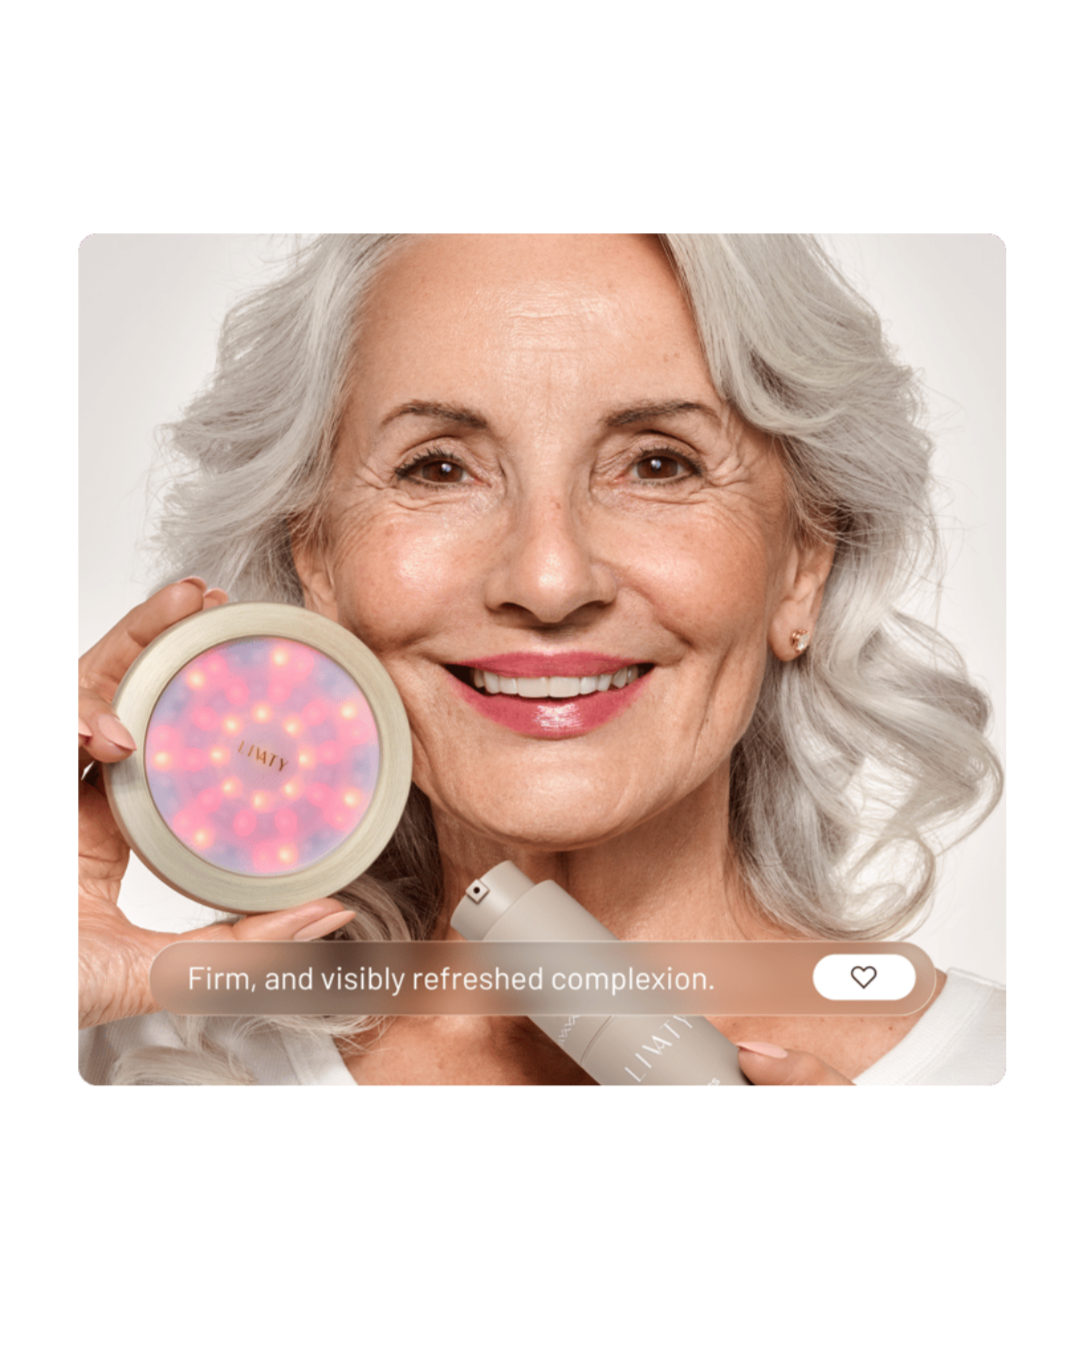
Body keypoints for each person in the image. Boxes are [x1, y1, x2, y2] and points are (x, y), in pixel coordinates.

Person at [78, 233, 1006, 1086]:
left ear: (804, 564)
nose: (550, 580)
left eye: (658, 464)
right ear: (317, 560)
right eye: (439, 467)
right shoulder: (131, 1050)